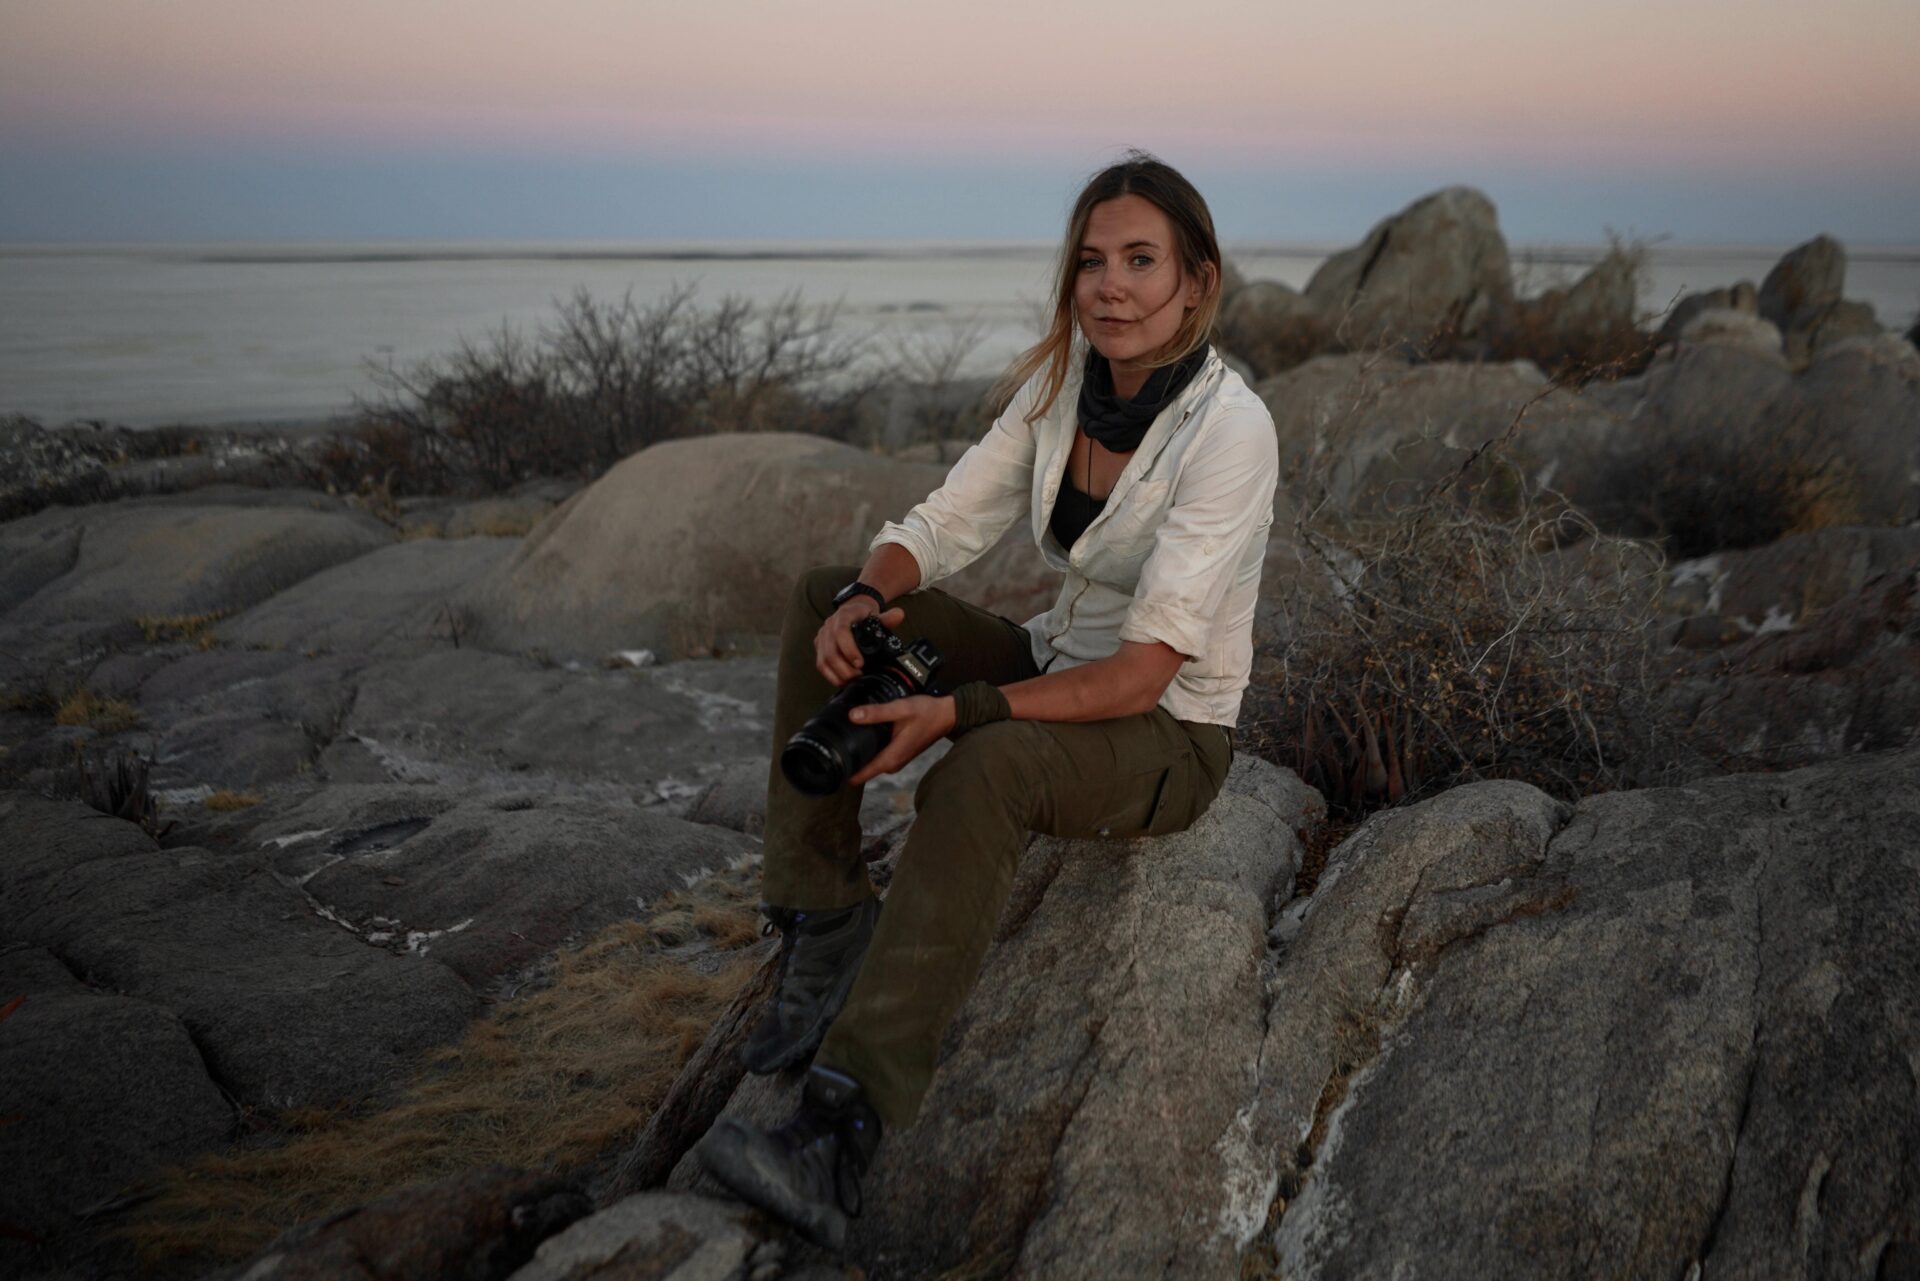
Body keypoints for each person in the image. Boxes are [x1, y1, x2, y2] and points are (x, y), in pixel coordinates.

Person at [693, 151, 1279, 1249]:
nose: (1110, 286)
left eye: (1141, 262)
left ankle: (840, 1132)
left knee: (986, 766)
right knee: (829, 591)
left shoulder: (1230, 432)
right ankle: (824, 921)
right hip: (1056, 661)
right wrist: (873, 592)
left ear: (1196, 283)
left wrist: (960, 715)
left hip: (1165, 733)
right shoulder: (1065, 388)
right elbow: (947, 521)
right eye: (1091, 262)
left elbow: (1149, 671)